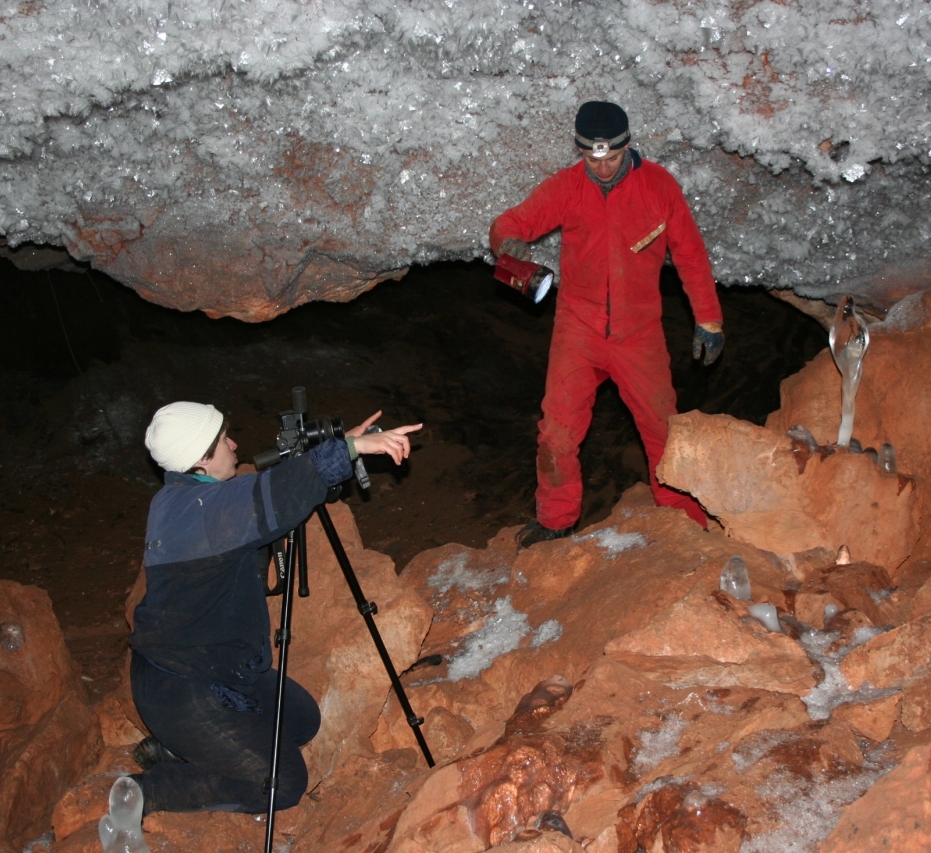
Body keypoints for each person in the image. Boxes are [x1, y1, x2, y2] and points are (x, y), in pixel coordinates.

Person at [128, 400, 420, 814]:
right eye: (221, 440)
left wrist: (337, 443)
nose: (233, 444)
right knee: (284, 784)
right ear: (198, 459)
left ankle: (186, 746)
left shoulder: (177, 498)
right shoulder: (202, 512)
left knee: (302, 721)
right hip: (185, 687)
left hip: (215, 668)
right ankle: (148, 791)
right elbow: (274, 495)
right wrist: (350, 449)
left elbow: (250, 499)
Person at [489, 100, 725, 548]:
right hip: (577, 329)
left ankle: (685, 524)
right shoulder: (568, 186)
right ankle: (557, 521)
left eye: (611, 158)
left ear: (627, 146)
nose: (600, 168)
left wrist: (709, 319)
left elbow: (691, 255)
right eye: (591, 158)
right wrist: (509, 242)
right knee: (556, 432)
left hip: (639, 334)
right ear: (580, 151)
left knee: (662, 430)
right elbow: (511, 222)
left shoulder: (658, 187)